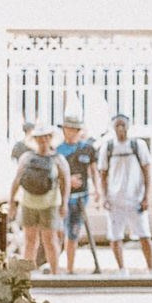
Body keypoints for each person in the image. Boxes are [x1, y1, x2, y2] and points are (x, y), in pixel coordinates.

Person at [101, 116, 152, 273]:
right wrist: (105, 197)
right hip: (115, 199)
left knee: (144, 234)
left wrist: (146, 197)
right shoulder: (108, 147)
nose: (120, 129)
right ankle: (122, 269)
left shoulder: (138, 145)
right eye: (117, 126)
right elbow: (102, 173)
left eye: (123, 125)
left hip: (135, 198)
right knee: (115, 236)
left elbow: (147, 172)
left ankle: (151, 269)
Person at [9, 127, 63, 270]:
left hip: (49, 204)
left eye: (46, 137)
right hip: (28, 203)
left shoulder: (57, 159)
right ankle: (27, 274)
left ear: (50, 138)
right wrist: (12, 202)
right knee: (30, 240)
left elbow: (66, 181)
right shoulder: (26, 158)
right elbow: (17, 180)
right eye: (40, 137)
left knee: (50, 240)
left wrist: (64, 204)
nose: (43, 140)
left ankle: (54, 273)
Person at [56, 114, 103, 274]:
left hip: (80, 197)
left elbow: (94, 171)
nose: (72, 132)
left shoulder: (88, 149)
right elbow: (53, 174)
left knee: (73, 232)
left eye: (75, 129)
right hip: (62, 197)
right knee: (59, 232)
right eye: (69, 129)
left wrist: (97, 190)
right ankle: (55, 266)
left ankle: (70, 268)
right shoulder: (57, 150)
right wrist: (68, 180)